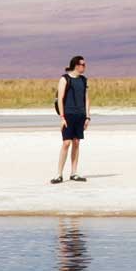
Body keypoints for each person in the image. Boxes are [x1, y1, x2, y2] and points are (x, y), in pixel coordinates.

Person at [52, 56, 90, 184]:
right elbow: (60, 99)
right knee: (66, 143)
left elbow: (87, 99)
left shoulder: (84, 80)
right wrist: (62, 117)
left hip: (80, 115)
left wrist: (87, 116)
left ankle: (74, 173)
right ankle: (59, 174)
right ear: (76, 65)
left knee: (76, 143)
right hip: (68, 115)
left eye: (85, 64)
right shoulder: (65, 79)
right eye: (83, 64)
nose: (84, 66)